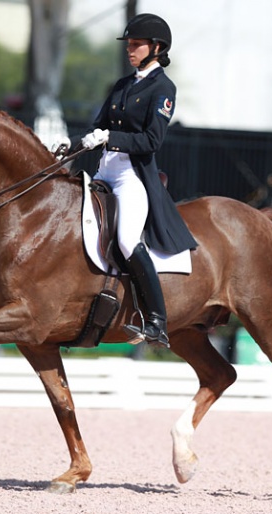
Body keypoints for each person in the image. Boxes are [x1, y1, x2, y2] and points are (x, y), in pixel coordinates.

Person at [71, 13, 197, 347]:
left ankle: (156, 321)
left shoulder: (163, 88)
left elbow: (152, 141)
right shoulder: (122, 85)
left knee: (127, 239)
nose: (130, 49)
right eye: (129, 44)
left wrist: (110, 137)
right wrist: (72, 146)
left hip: (132, 175)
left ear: (156, 47)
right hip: (104, 169)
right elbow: (96, 126)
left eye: (136, 44)